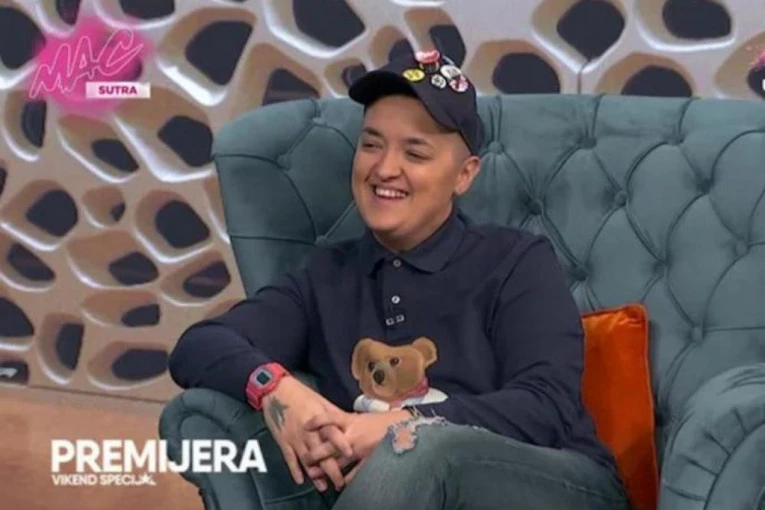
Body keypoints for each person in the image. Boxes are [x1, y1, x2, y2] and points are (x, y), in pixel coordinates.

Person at [169, 49, 631, 510]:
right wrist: (275, 390)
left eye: (415, 152)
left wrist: (398, 424)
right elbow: (200, 345)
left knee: (414, 448)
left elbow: (546, 405)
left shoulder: (515, 260)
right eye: (371, 145)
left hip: (560, 487)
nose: (385, 168)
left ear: (464, 175)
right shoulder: (328, 277)